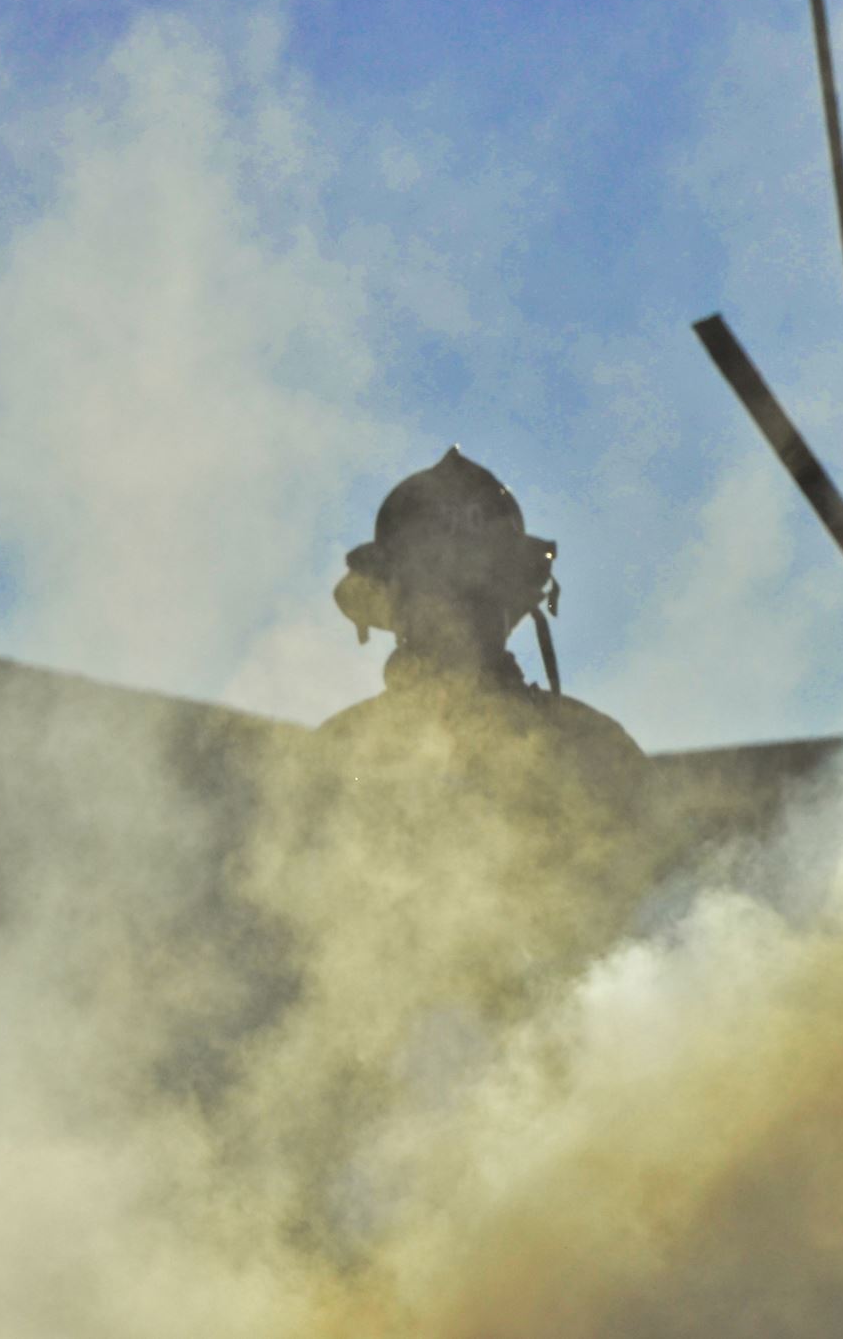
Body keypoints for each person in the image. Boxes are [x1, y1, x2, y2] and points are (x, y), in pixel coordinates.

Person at [231, 448, 659, 1254]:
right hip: (365, 1154)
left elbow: (658, 951)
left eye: (472, 589)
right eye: (438, 587)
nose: (455, 610)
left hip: (573, 1147)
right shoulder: (336, 761)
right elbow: (275, 977)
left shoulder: (595, 755)